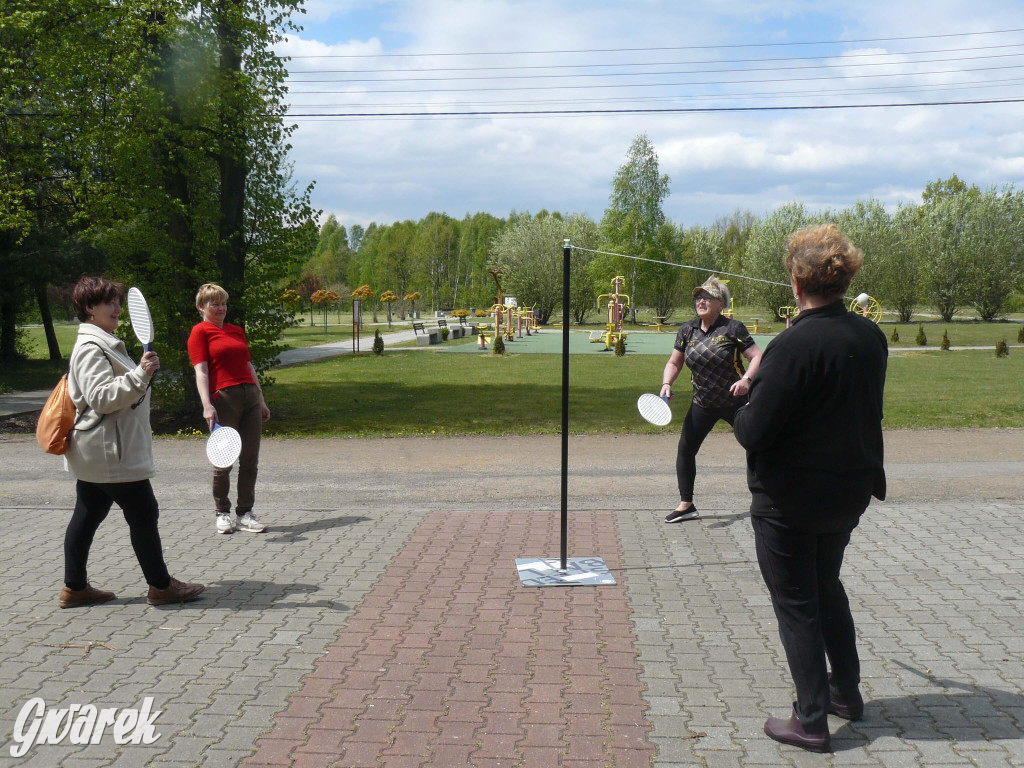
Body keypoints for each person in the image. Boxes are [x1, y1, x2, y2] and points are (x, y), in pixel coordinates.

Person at [733, 224, 887, 753]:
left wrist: (741, 402)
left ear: (796, 284)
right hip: (849, 492)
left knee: (797, 602)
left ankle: (811, 719)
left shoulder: (792, 346)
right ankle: (846, 694)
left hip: (790, 501)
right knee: (826, 588)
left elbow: (754, 431)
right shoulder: (870, 336)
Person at [61, 276, 205, 608]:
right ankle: (161, 587)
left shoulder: (104, 342)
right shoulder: (90, 348)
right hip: (111, 453)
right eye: (108, 301)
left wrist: (140, 374)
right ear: (89, 308)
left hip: (101, 452)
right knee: (143, 512)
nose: (116, 307)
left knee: (87, 513)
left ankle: (75, 588)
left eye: (117, 300)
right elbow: (101, 398)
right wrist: (139, 375)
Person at [660, 276, 762, 522]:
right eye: (698, 297)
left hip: (735, 402)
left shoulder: (733, 328)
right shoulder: (687, 330)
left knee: (757, 446)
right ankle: (687, 505)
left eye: (707, 297)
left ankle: (766, 500)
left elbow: (757, 356)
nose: (701, 301)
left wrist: (746, 380)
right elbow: (675, 362)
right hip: (703, 403)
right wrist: (666, 383)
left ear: (721, 304)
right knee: (685, 450)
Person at [188, 283, 271, 535]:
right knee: (223, 460)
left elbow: (248, 365)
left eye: (223, 303)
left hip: (250, 397)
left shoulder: (236, 331)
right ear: (202, 306)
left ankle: (245, 513)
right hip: (224, 399)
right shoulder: (200, 332)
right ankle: (222, 512)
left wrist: (261, 397)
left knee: (250, 460)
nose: (221, 308)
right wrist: (206, 405)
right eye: (215, 303)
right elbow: (201, 372)